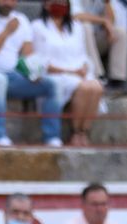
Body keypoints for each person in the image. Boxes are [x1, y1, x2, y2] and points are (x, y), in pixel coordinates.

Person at [0, 0, 63, 147]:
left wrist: (36, 72)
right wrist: (6, 32)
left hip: (12, 77)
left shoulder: (21, 20)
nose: (8, 3)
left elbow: (28, 54)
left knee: (54, 84)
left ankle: (52, 137)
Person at [32, 1, 106, 146]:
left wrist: (84, 68)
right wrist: (69, 71)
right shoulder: (37, 27)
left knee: (96, 87)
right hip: (55, 74)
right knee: (84, 87)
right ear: (46, 5)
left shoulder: (76, 27)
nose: (59, 5)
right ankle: (75, 131)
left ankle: (83, 131)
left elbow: (84, 55)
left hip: (78, 73)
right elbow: (38, 60)